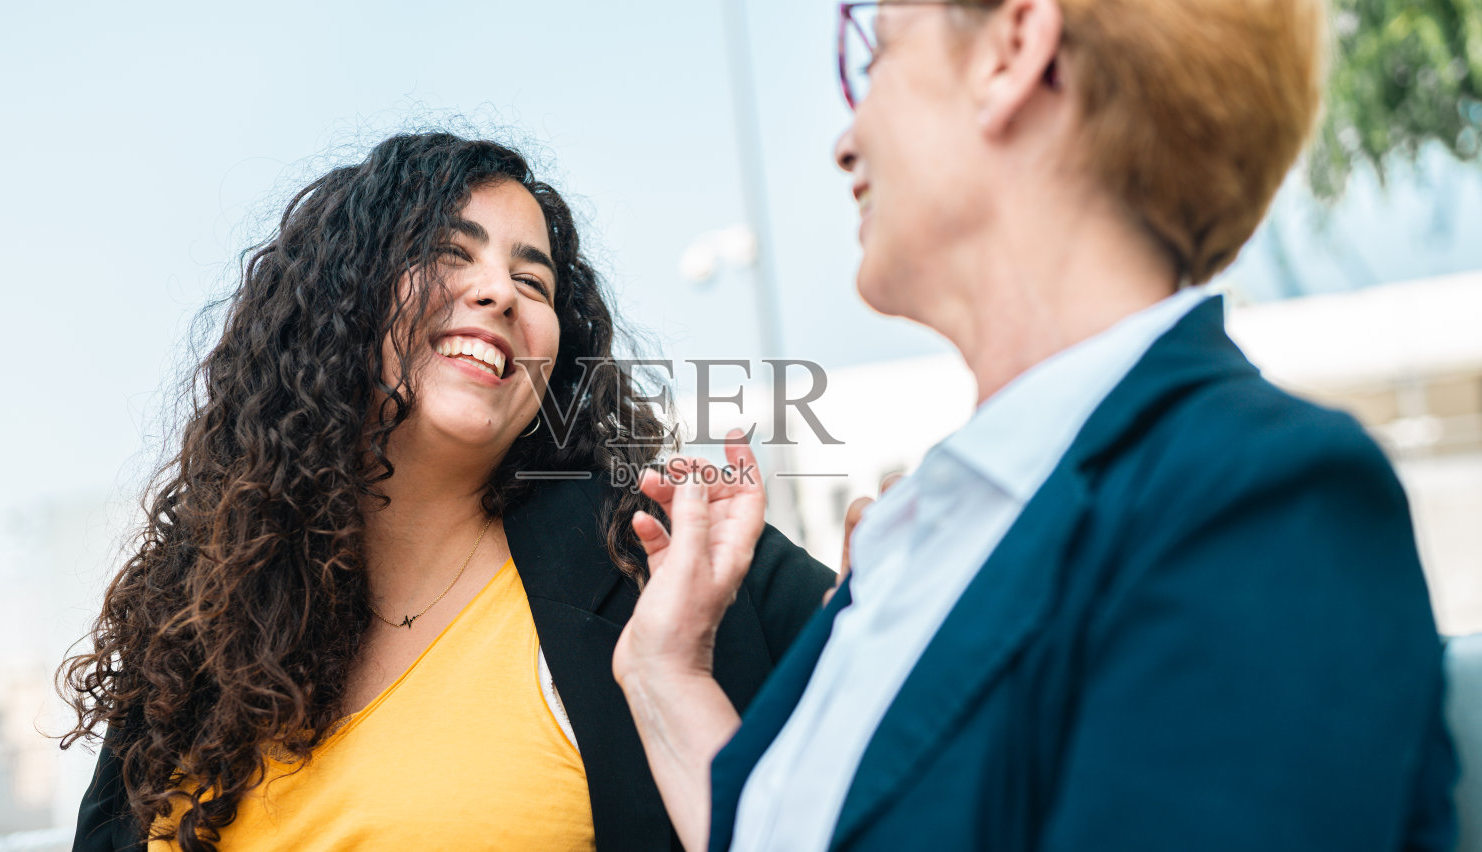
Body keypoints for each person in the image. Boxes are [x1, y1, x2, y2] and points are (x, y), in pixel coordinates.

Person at [611, 1, 1458, 850]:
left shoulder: (1263, 506)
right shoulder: (924, 545)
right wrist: (663, 669)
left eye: (874, 53)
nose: (844, 140)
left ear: (1015, 49)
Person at [59, 132, 833, 852]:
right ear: (339, 304)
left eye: (534, 281)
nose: (500, 291)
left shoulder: (663, 569)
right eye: (447, 253)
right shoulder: (195, 636)